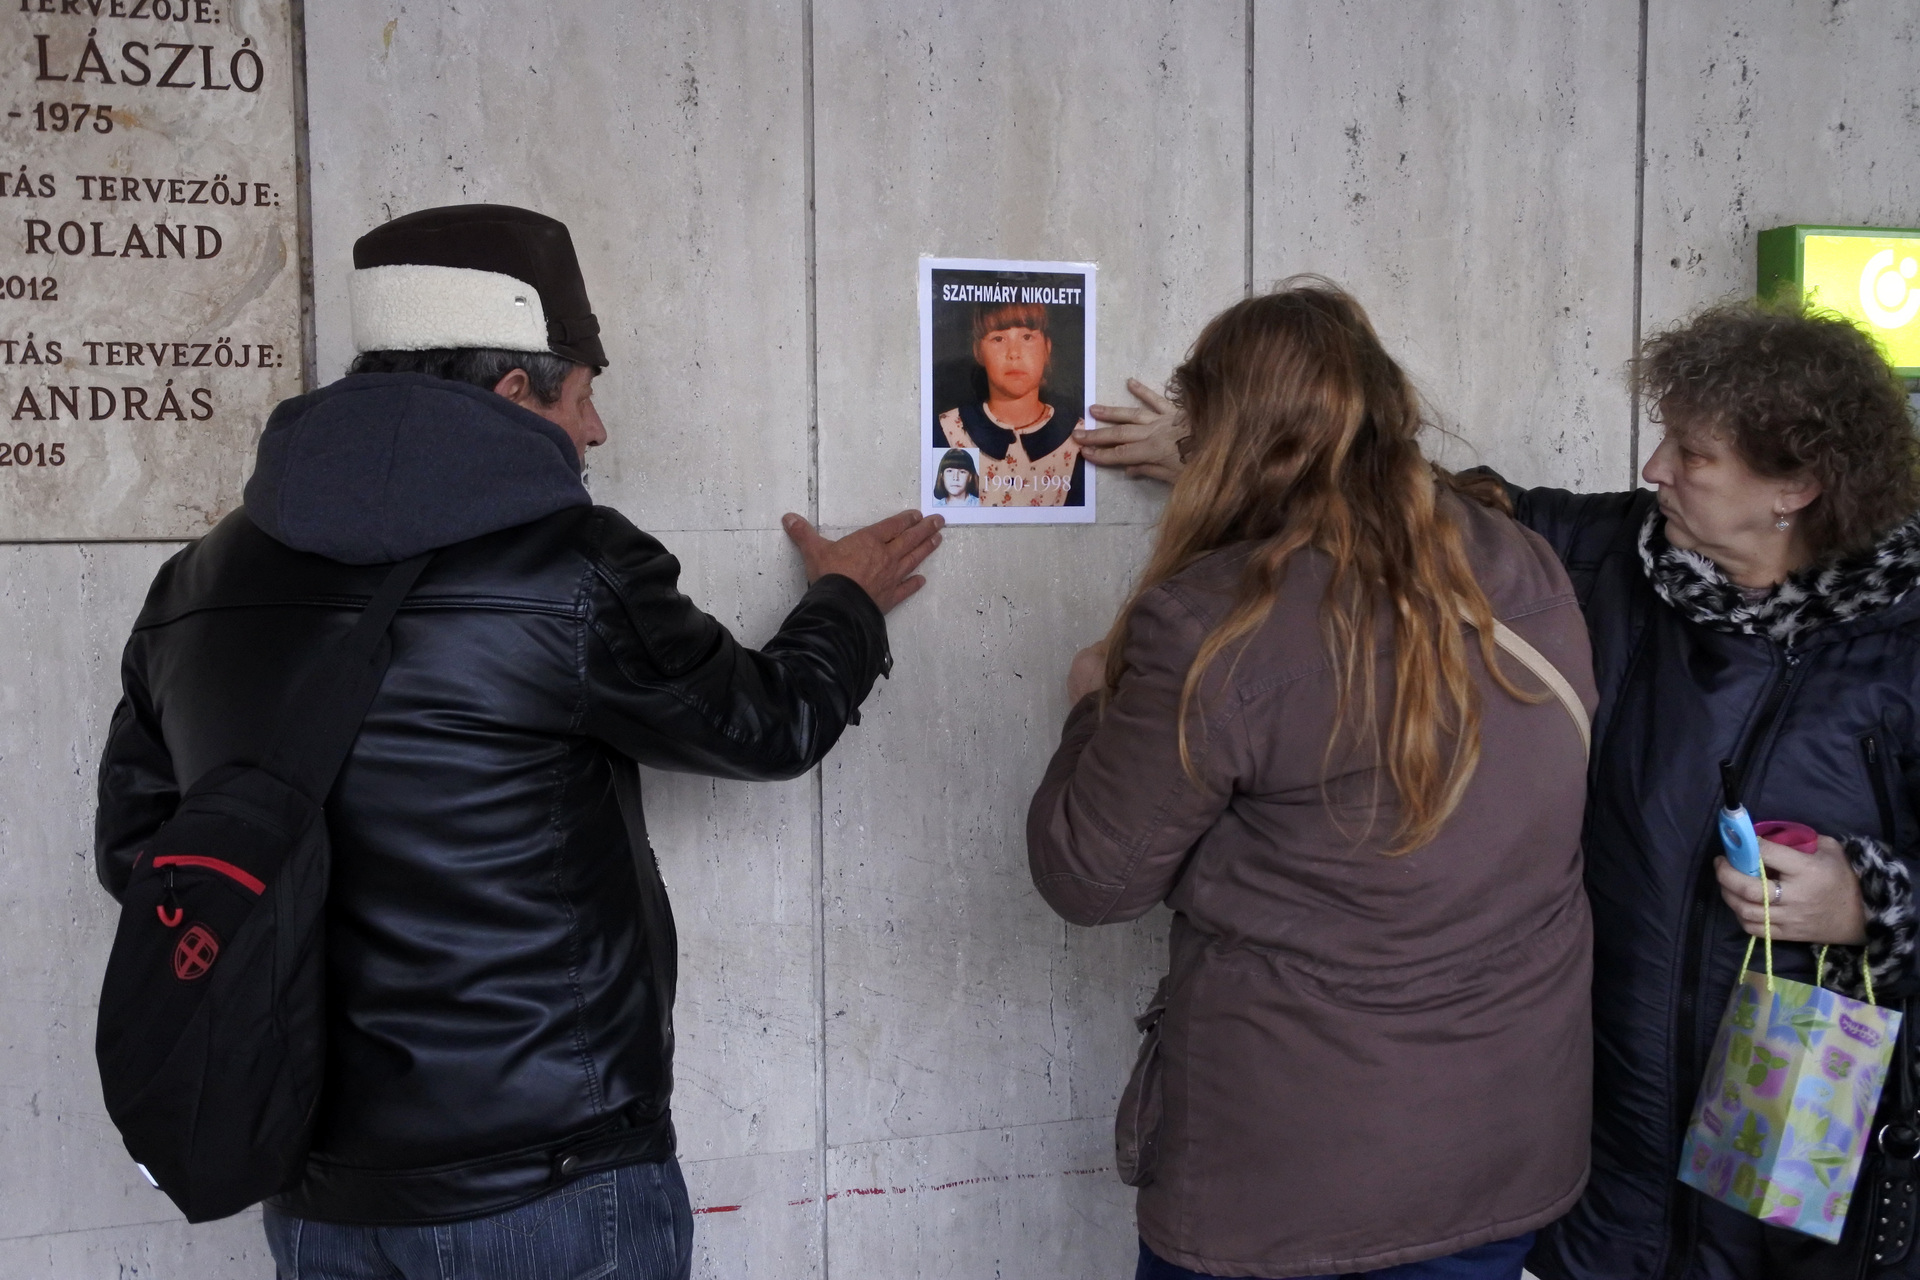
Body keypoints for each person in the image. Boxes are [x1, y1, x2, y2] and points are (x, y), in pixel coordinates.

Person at [92, 203, 944, 1280]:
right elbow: (766, 726)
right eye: (583, 395)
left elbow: (142, 853)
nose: (597, 431)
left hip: (318, 1192)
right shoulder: (571, 567)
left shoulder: (196, 580)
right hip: (549, 1180)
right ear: (511, 394)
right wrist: (844, 602)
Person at [1082, 300, 1920, 1278]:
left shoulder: (1902, 647)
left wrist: (1875, 900)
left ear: (1797, 487)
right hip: (1596, 1120)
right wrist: (1232, 448)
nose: (1654, 467)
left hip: (1799, 1115)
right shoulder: (1608, 558)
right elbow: (1398, 497)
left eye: (1693, 454)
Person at [1027, 281, 1596, 1280]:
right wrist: (1231, 457)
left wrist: (1089, 706)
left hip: (1290, 1184)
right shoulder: (1523, 566)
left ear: (1227, 432)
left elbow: (1092, 877)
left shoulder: (1210, 626)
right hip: (1500, 1153)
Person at [937, 300, 1086, 506]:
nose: (1014, 353)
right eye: (998, 338)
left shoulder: (1080, 437)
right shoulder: (946, 431)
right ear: (978, 351)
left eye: (1027, 337)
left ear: (1047, 347)